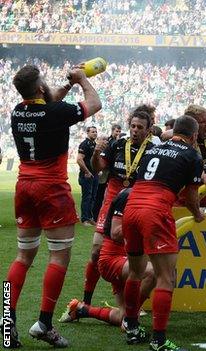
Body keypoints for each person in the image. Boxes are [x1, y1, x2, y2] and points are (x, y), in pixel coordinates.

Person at [5, 63, 101, 347]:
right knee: (58, 257)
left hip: (24, 187)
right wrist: (82, 80)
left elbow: (48, 104)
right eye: (44, 81)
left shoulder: (17, 112)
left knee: (23, 257)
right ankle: (44, 324)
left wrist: (67, 85)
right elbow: (95, 103)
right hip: (52, 189)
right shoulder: (55, 113)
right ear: (39, 88)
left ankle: (6, 319)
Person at [122, 115, 205, 351]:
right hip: (155, 211)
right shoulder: (192, 155)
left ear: (174, 131)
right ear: (195, 136)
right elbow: (190, 198)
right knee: (166, 277)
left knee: (136, 273)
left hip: (132, 208)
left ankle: (132, 328)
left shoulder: (152, 149)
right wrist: (198, 214)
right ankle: (158, 340)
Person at [82, 110, 153, 308]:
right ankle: (86, 300)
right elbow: (97, 168)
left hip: (136, 202)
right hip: (112, 201)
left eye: (140, 127)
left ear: (148, 131)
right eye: (133, 126)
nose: (135, 130)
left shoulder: (152, 151)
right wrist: (96, 152)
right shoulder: (117, 144)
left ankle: (129, 306)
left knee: (129, 254)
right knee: (96, 250)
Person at [59, 188, 156, 327]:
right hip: (113, 260)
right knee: (152, 272)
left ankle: (81, 309)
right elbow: (116, 233)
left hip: (128, 261)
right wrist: (143, 224)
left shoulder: (149, 196)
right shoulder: (127, 196)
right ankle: (131, 319)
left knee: (121, 316)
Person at [92, 123, 122, 222]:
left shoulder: (119, 142)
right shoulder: (111, 143)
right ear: (112, 131)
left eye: (119, 131)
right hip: (103, 174)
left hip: (109, 175)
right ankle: (96, 216)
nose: (118, 133)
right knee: (98, 196)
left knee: (102, 197)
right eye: (116, 131)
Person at [77, 126, 99, 226]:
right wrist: (87, 172)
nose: (95, 133)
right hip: (86, 176)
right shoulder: (84, 144)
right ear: (87, 133)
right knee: (87, 197)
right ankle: (84, 219)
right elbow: (79, 159)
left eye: (96, 132)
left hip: (94, 175)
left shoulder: (94, 144)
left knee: (93, 197)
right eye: (92, 132)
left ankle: (90, 217)